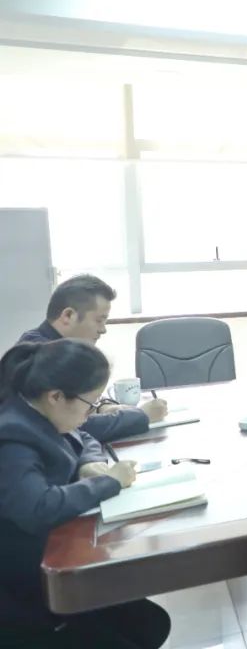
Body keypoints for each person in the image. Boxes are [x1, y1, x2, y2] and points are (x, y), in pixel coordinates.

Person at [0, 340, 170, 649]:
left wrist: (89, 463)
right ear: (56, 396)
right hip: (26, 593)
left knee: (151, 622)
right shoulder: (12, 437)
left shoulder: (39, 413)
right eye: (90, 404)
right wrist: (109, 482)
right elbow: (37, 507)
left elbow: (84, 435)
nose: (91, 413)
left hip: (56, 555)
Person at [17, 274, 167, 442]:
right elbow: (73, 428)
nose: (103, 330)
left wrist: (104, 407)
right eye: (99, 320)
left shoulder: (52, 347)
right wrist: (142, 415)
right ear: (68, 315)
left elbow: (77, 399)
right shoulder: (41, 357)